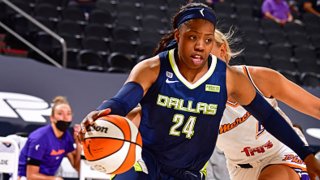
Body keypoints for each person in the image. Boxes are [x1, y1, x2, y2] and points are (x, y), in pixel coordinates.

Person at [79, 3, 320, 179]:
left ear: (222, 50)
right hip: (237, 167)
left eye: (207, 42)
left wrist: (307, 154)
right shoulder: (163, 74)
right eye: (193, 39)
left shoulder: (247, 78)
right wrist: (100, 119)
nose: (199, 49)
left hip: (277, 155)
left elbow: (284, 114)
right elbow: (129, 104)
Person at [208, 29, 320, 180]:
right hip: (238, 167)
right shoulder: (195, 98)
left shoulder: (258, 78)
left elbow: (316, 107)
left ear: (222, 51)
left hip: (280, 153)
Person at [18, 96, 82, 180]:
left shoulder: (66, 137)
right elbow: (31, 176)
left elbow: (77, 167)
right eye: (60, 113)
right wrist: (55, 179)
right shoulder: (39, 138)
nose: (65, 117)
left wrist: (78, 142)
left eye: (68, 114)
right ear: (52, 118)